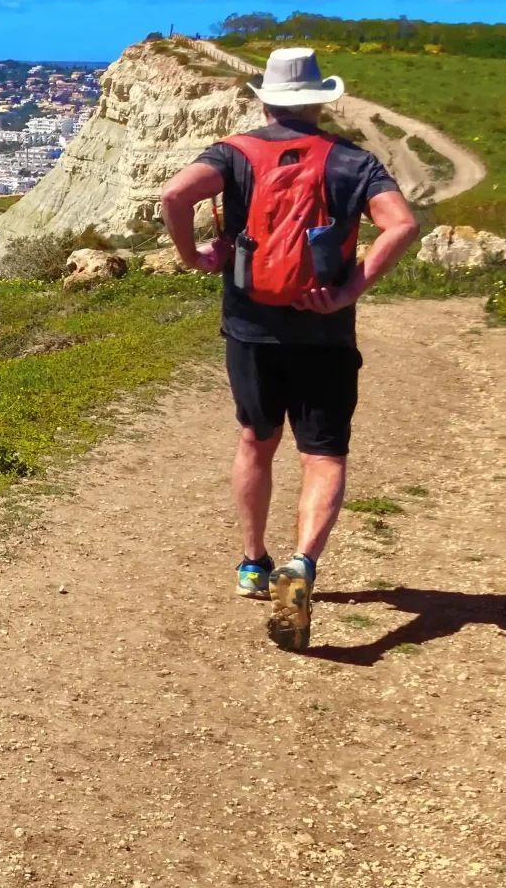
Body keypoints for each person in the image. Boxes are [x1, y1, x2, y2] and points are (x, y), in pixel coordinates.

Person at [160, 47, 419, 651]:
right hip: (325, 333)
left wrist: (192, 256)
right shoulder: (353, 162)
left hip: (251, 330)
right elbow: (401, 224)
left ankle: (253, 563)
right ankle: (302, 564)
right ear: (321, 100)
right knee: (323, 455)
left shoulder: (234, 153)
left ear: (267, 98)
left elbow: (175, 196)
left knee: (256, 441)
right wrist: (351, 287)